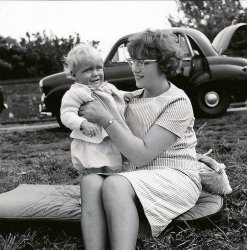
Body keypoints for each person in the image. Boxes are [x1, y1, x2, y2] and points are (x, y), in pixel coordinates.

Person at [79, 29, 206, 250]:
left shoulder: (177, 102)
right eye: (132, 61)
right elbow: (98, 95)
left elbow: (142, 154)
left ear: (164, 63)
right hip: (141, 175)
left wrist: (105, 119)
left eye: (142, 62)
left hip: (178, 177)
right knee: (91, 183)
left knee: (115, 184)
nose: (134, 68)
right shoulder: (131, 98)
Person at [60, 43, 128, 174]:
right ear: (74, 75)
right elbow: (66, 114)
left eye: (99, 68)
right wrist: (82, 123)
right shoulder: (76, 93)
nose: (95, 73)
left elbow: (119, 94)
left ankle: (108, 189)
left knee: (110, 171)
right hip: (90, 142)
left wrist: (127, 95)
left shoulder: (107, 87)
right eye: (88, 70)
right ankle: (95, 189)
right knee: (96, 173)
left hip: (108, 139)